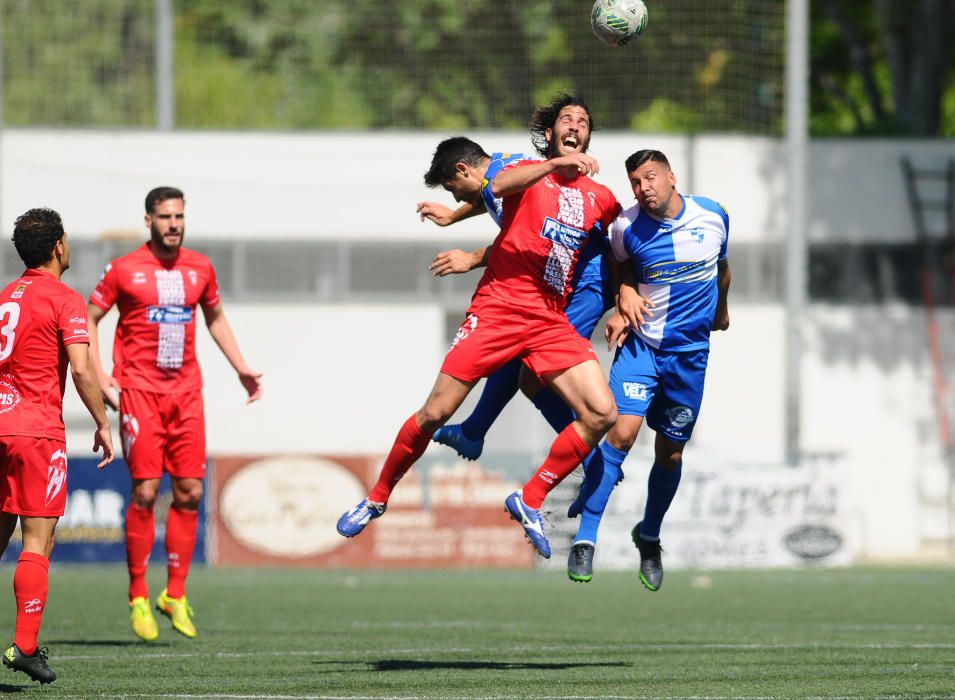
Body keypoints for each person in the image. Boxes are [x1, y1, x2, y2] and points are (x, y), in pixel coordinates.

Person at [338, 93, 620, 559]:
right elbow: (500, 184)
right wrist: (554, 166)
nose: (575, 126)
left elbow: (620, 240)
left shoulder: (601, 197)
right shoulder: (523, 170)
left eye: (583, 122)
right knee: (434, 413)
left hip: (550, 317)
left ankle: (529, 499)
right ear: (550, 136)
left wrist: (626, 291)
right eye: (566, 120)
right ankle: (376, 498)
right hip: (499, 309)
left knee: (602, 414)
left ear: (589, 136)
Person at [88, 187, 262, 642]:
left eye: (180, 216)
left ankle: (175, 593)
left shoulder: (200, 267)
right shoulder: (124, 270)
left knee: (188, 490)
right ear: (148, 221)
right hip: (140, 393)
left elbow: (216, 318)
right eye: (165, 217)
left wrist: (241, 368)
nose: (174, 224)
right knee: (145, 491)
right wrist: (102, 375)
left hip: (187, 394)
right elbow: (88, 317)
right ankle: (139, 597)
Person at [567, 149, 731, 589]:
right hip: (643, 347)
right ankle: (586, 539)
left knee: (670, 452)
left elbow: (722, 268)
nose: (644, 189)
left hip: (690, 356)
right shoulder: (626, 226)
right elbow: (616, 264)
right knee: (620, 432)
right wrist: (624, 294)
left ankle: (650, 535)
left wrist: (723, 311)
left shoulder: (713, 215)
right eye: (636, 182)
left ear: (672, 177)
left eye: (651, 178)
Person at [416, 138, 614, 459]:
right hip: (561, 283)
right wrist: (455, 216)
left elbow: (517, 220)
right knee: (527, 374)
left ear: (462, 169)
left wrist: (629, 290)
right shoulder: (510, 173)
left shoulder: (520, 173)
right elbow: (492, 196)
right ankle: (589, 461)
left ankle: (595, 460)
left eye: (453, 189)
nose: (456, 197)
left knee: (532, 373)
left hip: (584, 284)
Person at [0, 208, 115, 683]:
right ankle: (25, 646)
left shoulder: (5, 296)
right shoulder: (64, 299)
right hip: (36, 431)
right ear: (58, 247)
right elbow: (83, 368)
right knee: (37, 540)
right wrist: (102, 423)